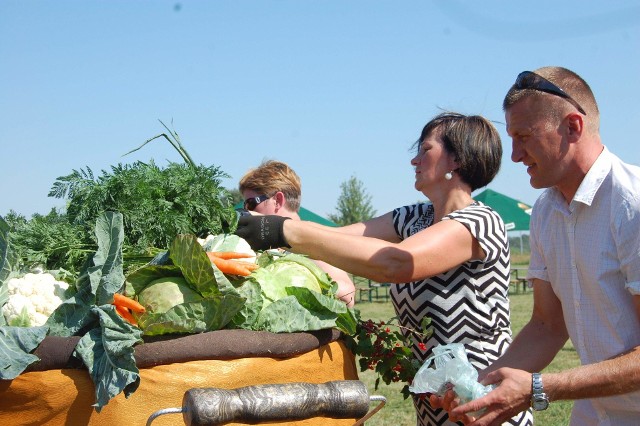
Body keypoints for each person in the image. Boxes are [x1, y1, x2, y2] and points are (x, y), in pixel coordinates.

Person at [236, 113, 533, 425]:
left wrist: (284, 230)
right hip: (435, 402)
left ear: (457, 159)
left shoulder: (479, 221)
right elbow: (340, 239)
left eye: (425, 150)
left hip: (481, 397)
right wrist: (278, 229)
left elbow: (397, 263)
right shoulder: (415, 217)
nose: (414, 161)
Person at [432, 67, 640, 425]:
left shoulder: (631, 205)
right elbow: (547, 324)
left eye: (524, 136)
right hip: (597, 412)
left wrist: (539, 388)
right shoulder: (546, 210)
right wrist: (478, 389)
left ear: (573, 126)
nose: (514, 155)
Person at [238, 159, 356, 307]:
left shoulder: (310, 240)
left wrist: (286, 286)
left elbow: (347, 294)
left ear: (277, 201)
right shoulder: (272, 245)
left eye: (251, 203)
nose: (248, 211)